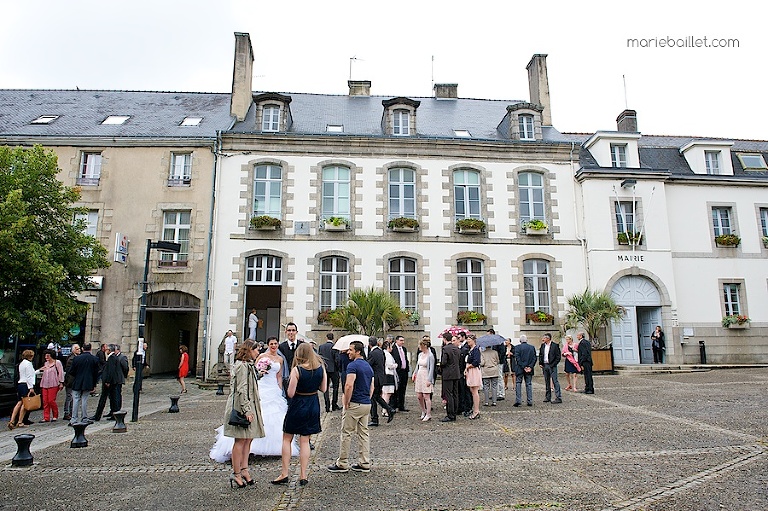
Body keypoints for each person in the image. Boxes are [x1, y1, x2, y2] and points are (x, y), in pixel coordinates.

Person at [272, 343, 327, 486]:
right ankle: (303, 474)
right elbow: (324, 388)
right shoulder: (320, 368)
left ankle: (284, 473)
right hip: (313, 403)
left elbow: (290, 393)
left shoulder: (297, 370)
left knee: (287, 438)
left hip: (298, 404)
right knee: (305, 440)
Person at [222, 340, 265, 488]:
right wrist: (247, 409)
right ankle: (236, 473)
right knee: (240, 440)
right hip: (241, 406)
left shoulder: (248, 366)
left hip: (251, 404)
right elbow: (241, 389)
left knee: (248, 438)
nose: (258, 352)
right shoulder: (241, 366)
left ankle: (244, 469)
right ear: (249, 350)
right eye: (255, 350)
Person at [327, 340, 374, 474]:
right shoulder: (367, 366)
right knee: (363, 434)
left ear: (357, 351)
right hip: (366, 403)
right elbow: (372, 385)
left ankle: (342, 463)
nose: (348, 352)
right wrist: (367, 399)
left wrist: (346, 401)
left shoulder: (352, 366)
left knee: (346, 433)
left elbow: (349, 385)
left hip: (354, 403)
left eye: (351, 350)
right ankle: (364, 462)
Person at [366, 336, 396, 426]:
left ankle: (375, 418)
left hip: (375, 378)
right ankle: (389, 409)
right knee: (377, 397)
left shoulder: (373, 353)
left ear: (369, 344)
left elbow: (369, 365)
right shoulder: (380, 352)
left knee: (372, 398)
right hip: (381, 377)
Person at [67, 343, 100, 425]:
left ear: (82, 348)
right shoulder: (95, 359)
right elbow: (96, 373)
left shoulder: (77, 359)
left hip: (77, 381)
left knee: (76, 400)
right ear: (90, 348)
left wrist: (77, 375)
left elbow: (71, 371)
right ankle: (84, 417)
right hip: (88, 382)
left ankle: (74, 418)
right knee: (84, 400)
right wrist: (94, 383)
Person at [8, 350, 36, 430]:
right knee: (25, 404)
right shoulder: (29, 364)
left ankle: (12, 421)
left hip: (20, 384)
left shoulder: (21, 364)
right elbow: (29, 376)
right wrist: (31, 388)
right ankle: (20, 422)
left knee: (19, 403)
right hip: (26, 385)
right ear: (30, 356)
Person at [412, 338, 435, 421]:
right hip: (419, 375)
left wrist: (429, 379)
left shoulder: (430, 355)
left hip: (426, 375)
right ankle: (423, 410)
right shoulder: (420, 355)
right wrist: (414, 373)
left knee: (426, 396)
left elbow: (432, 368)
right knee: (419, 395)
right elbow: (417, 365)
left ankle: (428, 413)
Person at [440, 335, 461, 422]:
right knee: (455, 393)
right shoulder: (457, 349)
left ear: (445, 339)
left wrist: (440, 366)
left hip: (448, 374)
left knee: (449, 394)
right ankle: (455, 412)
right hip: (456, 373)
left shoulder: (445, 349)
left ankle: (450, 414)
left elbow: (444, 362)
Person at [39, 349, 64, 422]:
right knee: (45, 401)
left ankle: (55, 415)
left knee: (51, 400)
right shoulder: (45, 364)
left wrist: (61, 382)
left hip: (53, 384)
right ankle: (46, 417)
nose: (46, 357)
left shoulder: (57, 362)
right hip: (45, 384)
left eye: (48, 355)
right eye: (45, 355)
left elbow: (61, 373)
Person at [318, 332, 341, 412]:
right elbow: (337, 359)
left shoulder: (321, 347)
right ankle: (334, 404)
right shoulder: (335, 347)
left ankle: (327, 405)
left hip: (325, 369)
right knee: (335, 387)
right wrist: (338, 368)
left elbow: (319, 358)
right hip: (334, 369)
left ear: (326, 338)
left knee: (325, 388)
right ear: (333, 338)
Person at [538, 333, 562, 404]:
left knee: (555, 381)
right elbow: (541, 354)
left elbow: (558, 357)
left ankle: (558, 397)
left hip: (552, 365)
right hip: (545, 365)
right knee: (547, 381)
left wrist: (553, 364)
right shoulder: (543, 346)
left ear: (548, 338)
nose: (543, 339)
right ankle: (548, 396)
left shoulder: (555, 346)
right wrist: (540, 363)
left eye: (544, 338)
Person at [278, 323, 302, 390]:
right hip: (286, 379)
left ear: (296, 332)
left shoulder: (302, 345)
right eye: (289, 330)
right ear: (286, 332)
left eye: (293, 330)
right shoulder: (281, 347)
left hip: (300, 378)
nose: (291, 332)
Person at [514, 335, 536, 407]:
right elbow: (534, 358)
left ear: (520, 341)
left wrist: (524, 367)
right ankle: (529, 401)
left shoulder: (517, 347)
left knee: (518, 384)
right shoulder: (532, 347)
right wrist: (530, 366)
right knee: (529, 384)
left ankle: (518, 401)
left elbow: (518, 359)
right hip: (529, 369)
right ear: (526, 340)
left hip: (520, 368)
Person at [464, 335, 482, 419]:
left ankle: (476, 411)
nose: (468, 341)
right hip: (470, 370)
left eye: (469, 340)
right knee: (472, 390)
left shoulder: (476, 349)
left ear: (474, 340)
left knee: (475, 391)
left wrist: (468, 366)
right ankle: (475, 410)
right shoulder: (471, 350)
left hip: (473, 370)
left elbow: (476, 362)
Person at [62, 343, 81, 421]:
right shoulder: (72, 358)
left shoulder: (75, 357)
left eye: (79, 348)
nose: (79, 350)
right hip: (70, 381)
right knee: (69, 397)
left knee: (72, 397)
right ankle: (67, 413)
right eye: (77, 349)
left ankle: (70, 412)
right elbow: (71, 371)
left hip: (73, 380)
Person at [391, 335, 410, 412]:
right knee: (396, 389)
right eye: (401, 340)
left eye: (403, 340)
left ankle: (401, 405)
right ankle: (393, 405)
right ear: (396, 341)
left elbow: (405, 359)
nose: (403, 342)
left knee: (403, 388)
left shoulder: (404, 349)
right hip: (397, 371)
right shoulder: (393, 349)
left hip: (404, 371)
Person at [381, 340, 398, 412]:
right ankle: (385, 409)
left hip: (385, 374)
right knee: (387, 393)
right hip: (388, 374)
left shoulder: (384, 353)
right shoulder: (387, 354)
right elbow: (390, 365)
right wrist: (395, 365)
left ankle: (384, 409)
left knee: (385, 393)